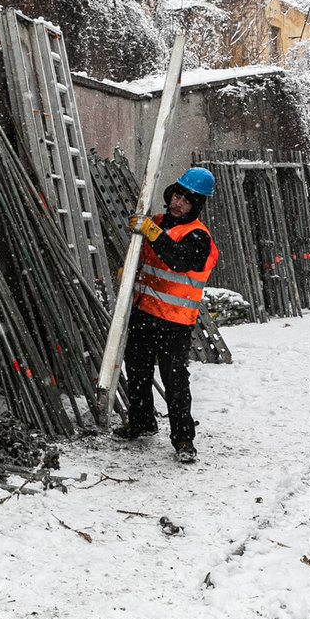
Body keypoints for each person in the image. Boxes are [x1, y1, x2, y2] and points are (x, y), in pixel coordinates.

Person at [113, 166, 219, 463]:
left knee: (174, 380)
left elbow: (178, 260)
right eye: (176, 195)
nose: (177, 203)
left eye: (186, 200)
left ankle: (183, 438)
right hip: (145, 312)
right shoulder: (157, 223)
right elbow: (147, 259)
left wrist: (151, 232)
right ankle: (142, 422)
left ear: (196, 205)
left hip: (174, 322)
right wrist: (130, 271)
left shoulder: (198, 237)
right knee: (137, 370)